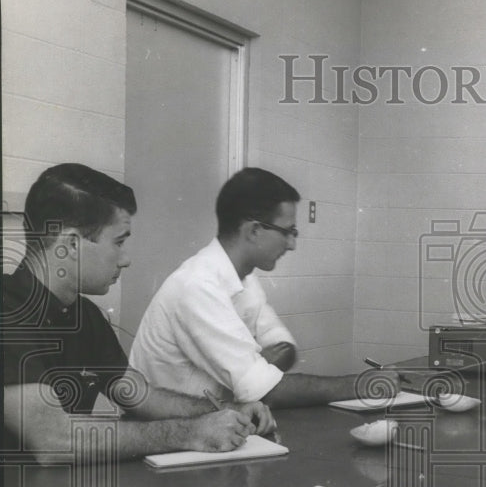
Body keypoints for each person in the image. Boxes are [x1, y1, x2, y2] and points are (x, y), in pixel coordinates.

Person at [2, 163, 274, 463]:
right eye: (118, 242)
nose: (126, 259)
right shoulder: (7, 309)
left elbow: (138, 395)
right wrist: (190, 433)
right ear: (70, 245)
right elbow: (52, 439)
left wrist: (225, 410)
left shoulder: (86, 316)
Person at [129, 167, 397, 407]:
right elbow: (266, 391)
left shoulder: (244, 279)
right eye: (288, 232)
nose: (292, 244)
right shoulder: (197, 286)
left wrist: (258, 370)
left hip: (213, 422)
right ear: (254, 231)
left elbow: (285, 348)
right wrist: (361, 384)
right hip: (170, 438)